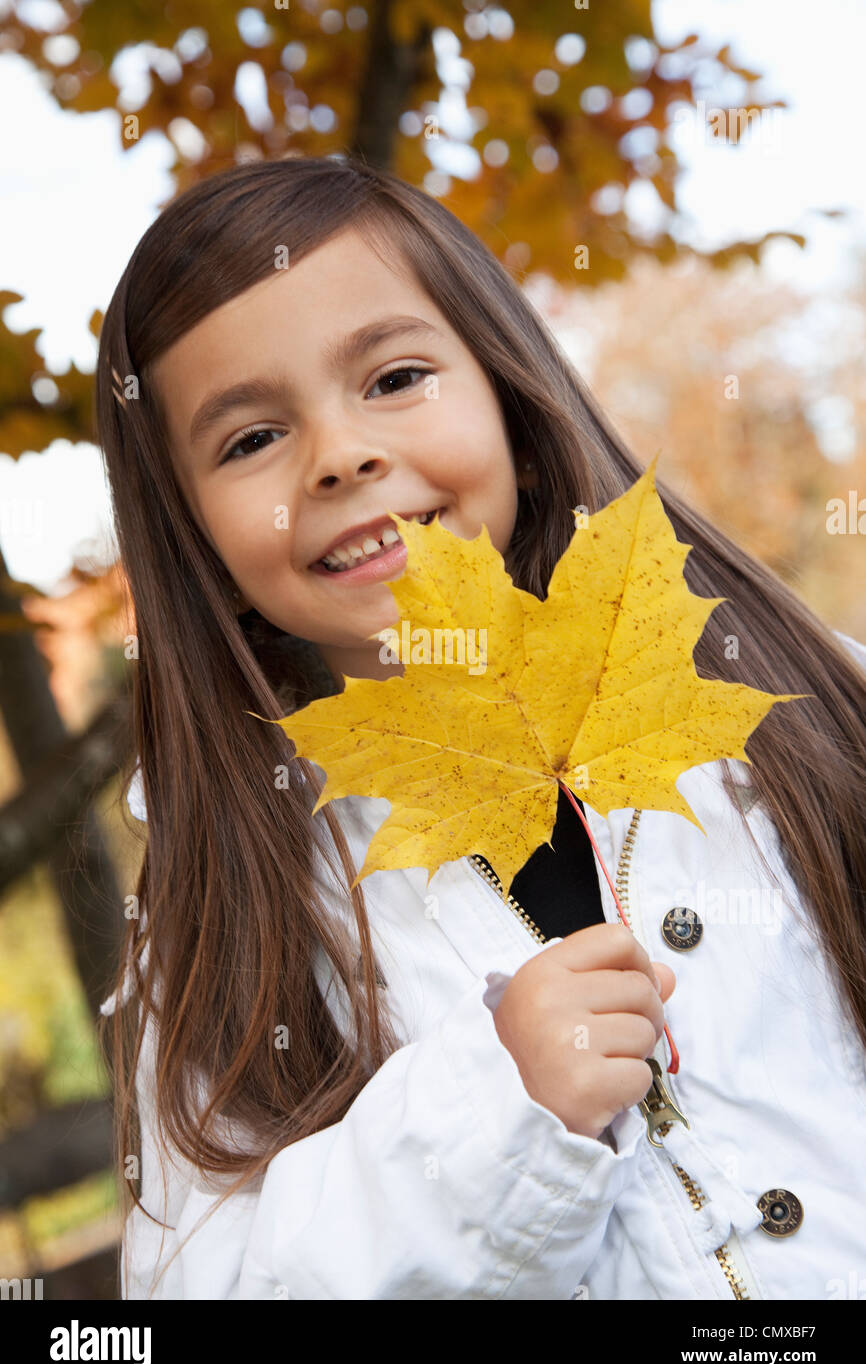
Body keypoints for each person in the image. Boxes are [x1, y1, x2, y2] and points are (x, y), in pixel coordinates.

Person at [95, 155, 866, 1300]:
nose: (341, 455)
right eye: (250, 439)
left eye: (394, 376)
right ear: (188, 531)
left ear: (503, 385)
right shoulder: (232, 910)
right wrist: (487, 1120)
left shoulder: (789, 707)